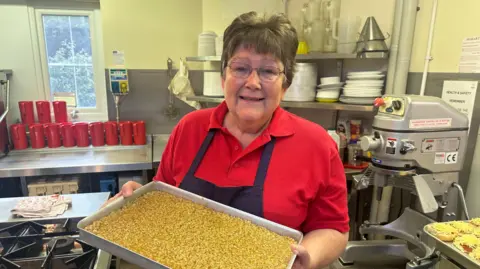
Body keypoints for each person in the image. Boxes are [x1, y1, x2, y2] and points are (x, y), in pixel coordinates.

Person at [110, 11, 349, 269]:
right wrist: (140, 201)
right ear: (223, 76)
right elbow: (164, 200)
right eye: (240, 68)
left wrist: (305, 258)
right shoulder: (189, 129)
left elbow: (333, 228)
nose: (253, 82)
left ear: (286, 84)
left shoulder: (316, 145)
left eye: (268, 71)